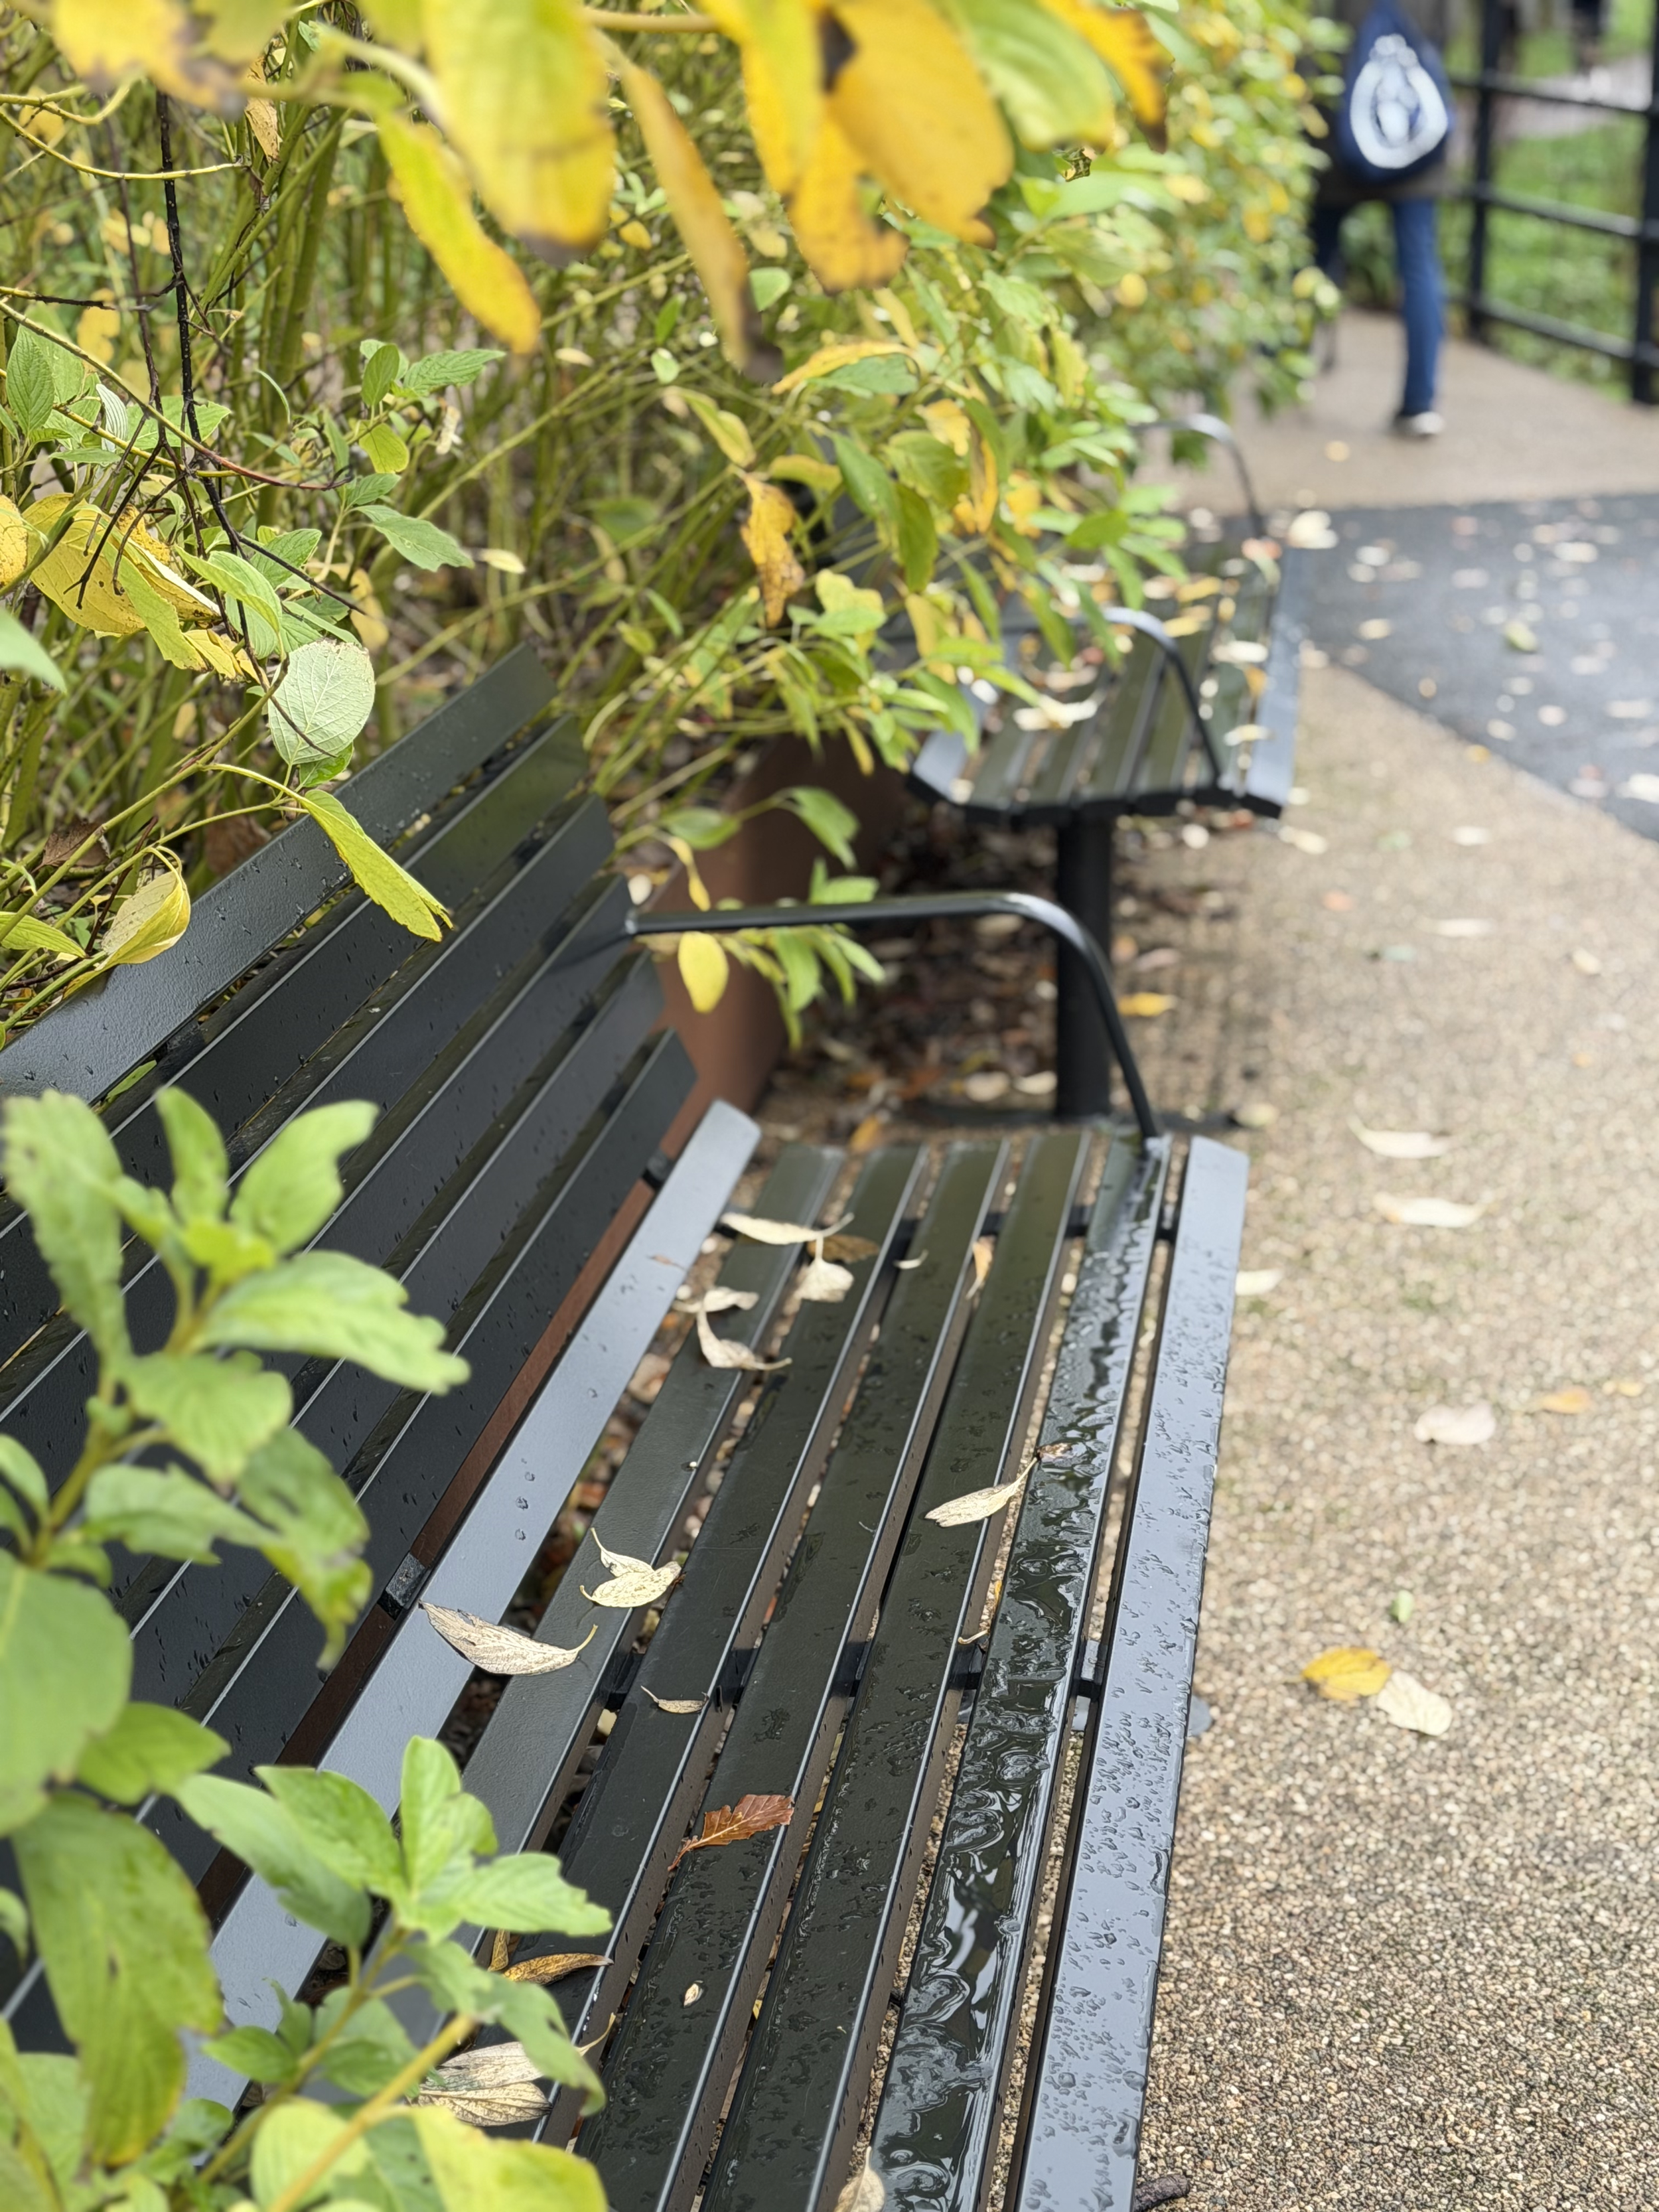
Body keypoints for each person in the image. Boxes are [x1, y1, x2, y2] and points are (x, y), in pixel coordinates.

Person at [1313, 0, 1450, 438]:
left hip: (1338, 137)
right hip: (1414, 143)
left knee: (1314, 254)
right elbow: (1446, 34)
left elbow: (1311, 43)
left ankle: (1285, 366)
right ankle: (1420, 404)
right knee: (1419, 266)